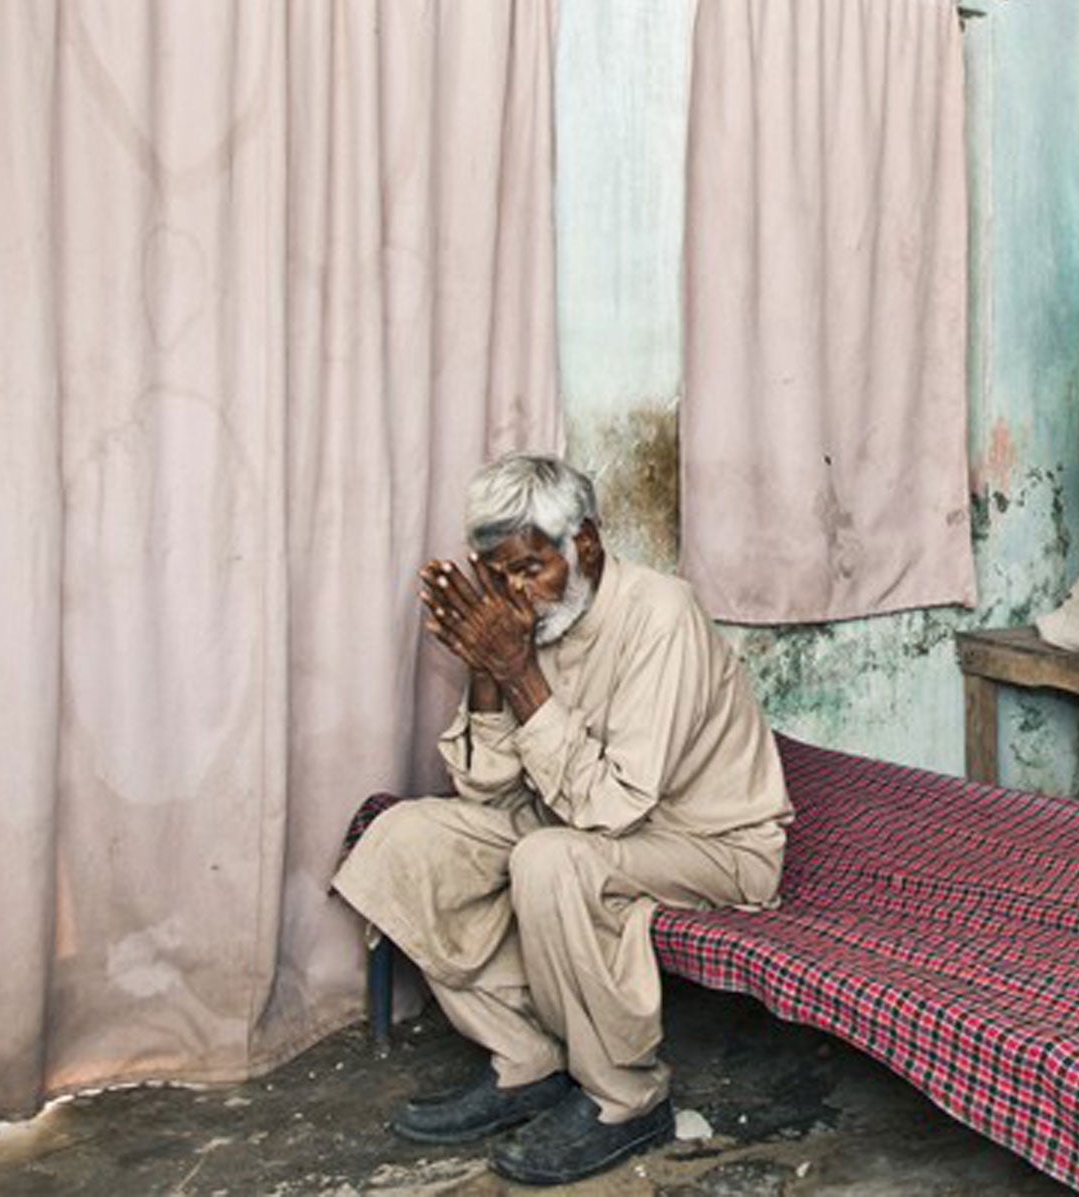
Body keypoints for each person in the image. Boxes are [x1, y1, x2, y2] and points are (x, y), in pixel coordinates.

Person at [333, 453, 791, 1187]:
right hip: (578, 817)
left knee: (549, 858)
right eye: (497, 574)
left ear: (586, 543)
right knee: (405, 840)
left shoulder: (660, 614)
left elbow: (614, 807)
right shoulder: (531, 621)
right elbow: (482, 785)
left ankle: (626, 1095)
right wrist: (488, 667)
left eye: (528, 568)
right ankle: (526, 1061)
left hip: (709, 839)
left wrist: (518, 670)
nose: (515, 592)